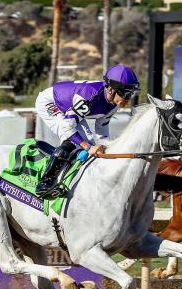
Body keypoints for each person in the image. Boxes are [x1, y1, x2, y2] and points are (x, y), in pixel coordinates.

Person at [33, 64, 140, 198]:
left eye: (131, 94)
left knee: (90, 142)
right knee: (72, 141)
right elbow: (67, 128)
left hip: (70, 107)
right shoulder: (89, 97)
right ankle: (45, 183)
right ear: (110, 90)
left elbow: (101, 129)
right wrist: (88, 147)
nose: (128, 99)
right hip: (50, 102)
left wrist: (107, 148)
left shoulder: (113, 104)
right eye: (125, 94)